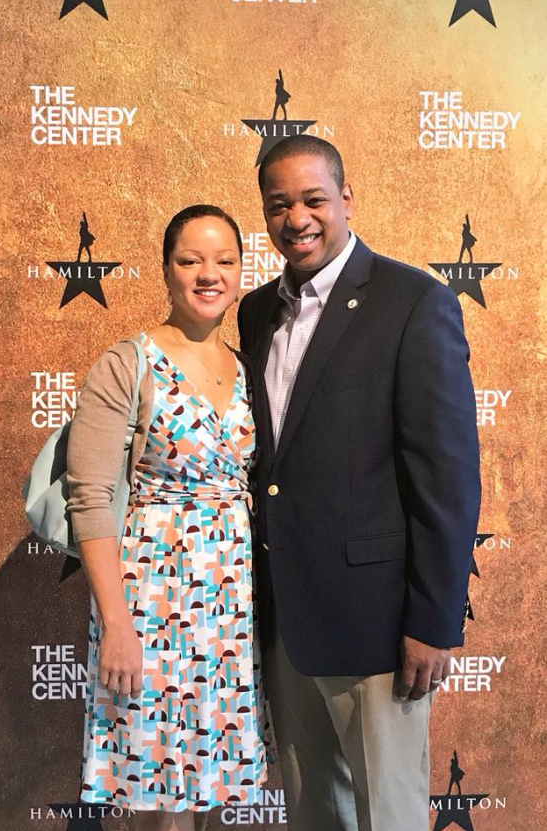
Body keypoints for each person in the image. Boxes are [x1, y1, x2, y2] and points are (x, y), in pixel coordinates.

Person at [237, 135, 481, 831]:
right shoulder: (255, 311)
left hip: (379, 630)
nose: (297, 218)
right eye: (279, 204)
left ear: (346, 198)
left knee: (388, 816)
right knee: (315, 814)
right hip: (286, 624)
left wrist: (432, 622)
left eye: (313, 199)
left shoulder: (412, 302)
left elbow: (447, 478)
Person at [66, 205, 267, 831]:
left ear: (240, 272)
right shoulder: (126, 365)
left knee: (208, 787)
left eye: (225, 261)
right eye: (191, 260)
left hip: (232, 606)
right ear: (165, 270)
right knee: (155, 795)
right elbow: (90, 499)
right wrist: (118, 624)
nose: (209, 274)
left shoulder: (248, 367)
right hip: (152, 606)